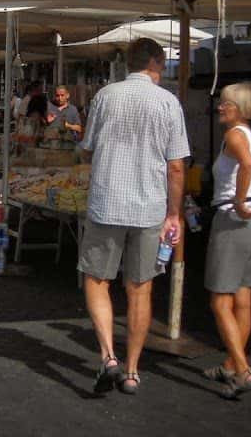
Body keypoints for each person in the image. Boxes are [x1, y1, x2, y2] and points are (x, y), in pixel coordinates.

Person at [78, 38, 189, 396]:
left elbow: (87, 151)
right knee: (140, 288)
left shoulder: (106, 96)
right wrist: (175, 213)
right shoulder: (169, 102)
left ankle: (108, 355)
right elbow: (175, 166)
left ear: (128, 63)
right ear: (156, 63)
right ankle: (132, 370)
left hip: (107, 202)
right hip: (149, 207)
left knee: (97, 279)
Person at [204, 82, 251, 399]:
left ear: (237, 108)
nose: (219, 107)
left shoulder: (235, 135)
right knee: (243, 297)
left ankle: (242, 369)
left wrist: (238, 201)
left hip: (232, 219)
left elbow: (247, 165)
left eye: (225, 103)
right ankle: (232, 363)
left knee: (220, 300)